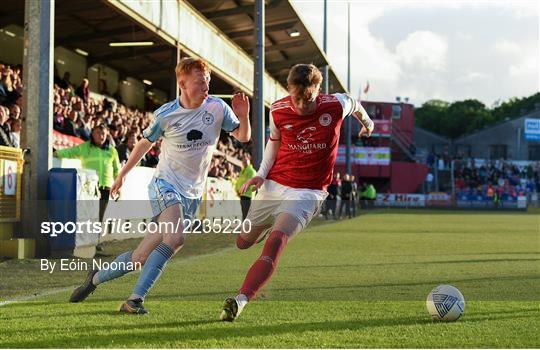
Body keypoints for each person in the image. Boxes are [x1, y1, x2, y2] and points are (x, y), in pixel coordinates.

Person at [68, 57, 251, 314]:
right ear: (183, 84)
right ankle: (135, 300)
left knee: (140, 257)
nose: (206, 87)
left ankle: (95, 278)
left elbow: (243, 136)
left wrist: (244, 115)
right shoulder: (166, 114)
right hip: (165, 185)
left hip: (191, 195)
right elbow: (145, 142)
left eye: (208, 82)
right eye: (200, 83)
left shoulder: (218, 108)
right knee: (175, 238)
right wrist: (122, 174)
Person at [219, 63, 373, 321]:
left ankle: (240, 300)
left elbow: (355, 104)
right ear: (289, 90)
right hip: (274, 185)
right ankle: (271, 224)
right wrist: (260, 174)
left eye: (308, 98)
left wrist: (367, 124)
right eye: (297, 98)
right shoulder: (278, 110)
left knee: (277, 240)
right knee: (242, 243)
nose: (302, 105)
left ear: (318, 90)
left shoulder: (335, 105)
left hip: (307, 192)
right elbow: (273, 143)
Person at [55, 124, 121, 222]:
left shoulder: (112, 151)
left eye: (103, 133)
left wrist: (118, 186)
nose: (101, 136)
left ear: (107, 134)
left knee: (100, 218)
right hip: (90, 187)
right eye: (98, 133)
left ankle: (96, 237)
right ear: (92, 134)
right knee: (89, 215)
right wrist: (56, 153)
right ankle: (88, 235)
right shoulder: (85, 147)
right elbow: (70, 152)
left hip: (106, 188)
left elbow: (117, 170)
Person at [235, 153, 257, 220]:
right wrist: (237, 190)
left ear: (249, 160)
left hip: (248, 196)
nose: (244, 161)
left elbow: (249, 184)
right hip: (243, 195)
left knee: (246, 214)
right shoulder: (243, 171)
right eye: (243, 160)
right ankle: (245, 228)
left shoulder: (251, 171)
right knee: (244, 213)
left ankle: (246, 228)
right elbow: (238, 182)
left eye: (245, 159)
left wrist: (240, 191)